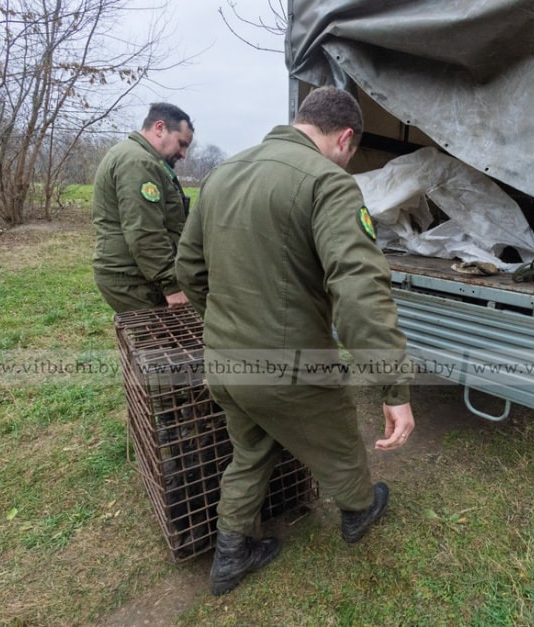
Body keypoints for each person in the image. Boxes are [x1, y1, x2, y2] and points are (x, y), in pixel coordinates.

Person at [175, 86, 416, 596]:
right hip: (289, 366)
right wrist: (394, 387)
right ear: (345, 138)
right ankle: (357, 511)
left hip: (223, 361)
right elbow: (359, 290)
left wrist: (223, 322)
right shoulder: (329, 183)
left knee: (252, 449)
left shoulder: (222, 174)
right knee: (338, 432)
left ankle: (231, 554)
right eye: (351, 152)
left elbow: (189, 269)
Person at [92, 102, 195, 313]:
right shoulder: (138, 162)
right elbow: (145, 231)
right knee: (158, 344)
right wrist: (171, 284)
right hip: (133, 279)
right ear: (159, 128)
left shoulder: (139, 157)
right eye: (181, 143)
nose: (184, 154)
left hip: (138, 273)